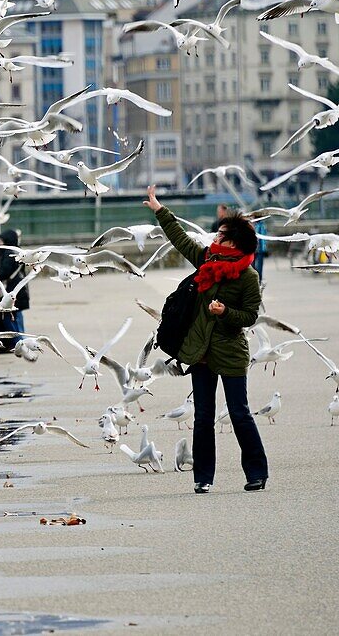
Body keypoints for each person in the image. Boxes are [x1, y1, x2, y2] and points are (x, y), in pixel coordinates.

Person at [144, 185, 268, 494]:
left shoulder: (248, 276)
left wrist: (225, 311)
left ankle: (256, 472)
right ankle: (203, 476)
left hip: (230, 352)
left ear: (233, 241)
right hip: (199, 351)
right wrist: (161, 211)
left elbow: (251, 316)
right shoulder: (207, 260)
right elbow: (181, 239)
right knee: (203, 416)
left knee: (239, 413)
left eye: (220, 234)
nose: (214, 237)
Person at [0, 229, 29, 352]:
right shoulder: (18, 251)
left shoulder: (8, 253)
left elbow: (5, 272)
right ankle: (23, 340)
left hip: (12, 289)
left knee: (9, 317)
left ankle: (20, 342)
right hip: (20, 289)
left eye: (1, 240)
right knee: (18, 315)